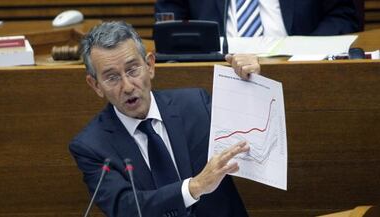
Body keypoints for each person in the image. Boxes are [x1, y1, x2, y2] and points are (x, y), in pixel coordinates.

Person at [69, 21, 260, 217]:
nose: (127, 86)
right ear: (95, 85)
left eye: (133, 70)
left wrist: (253, 83)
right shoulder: (91, 146)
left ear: (150, 65)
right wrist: (194, 187)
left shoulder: (197, 106)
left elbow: (256, 143)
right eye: (112, 77)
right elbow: (125, 208)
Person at [155, 0, 360, 37]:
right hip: (215, 68)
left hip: (294, 66)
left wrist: (305, 50)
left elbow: (343, 14)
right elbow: (170, 19)